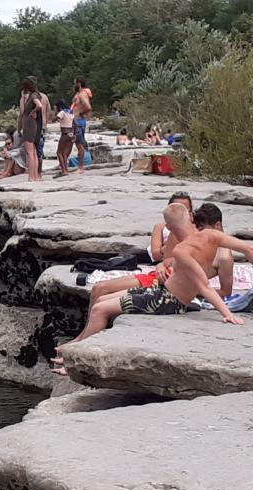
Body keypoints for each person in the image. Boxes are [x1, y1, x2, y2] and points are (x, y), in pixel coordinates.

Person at [55, 203, 253, 363]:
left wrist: (227, 315)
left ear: (167, 227)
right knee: (102, 298)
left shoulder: (182, 251)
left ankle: (73, 358)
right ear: (191, 218)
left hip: (167, 301)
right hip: (160, 291)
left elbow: (203, 286)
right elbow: (247, 249)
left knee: (101, 309)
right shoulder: (213, 235)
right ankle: (77, 342)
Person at [19, 76, 49, 177]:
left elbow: (39, 106)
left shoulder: (32, 96)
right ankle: (36, 176)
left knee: (30, 152)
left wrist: (33, 111)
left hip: (29, 125)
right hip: (36, 126)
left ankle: (31, 176)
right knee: (35, 152)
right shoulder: (39, 94)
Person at [72, 76, 92, 173]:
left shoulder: (82, 95)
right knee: (73, 142)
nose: (74, 85)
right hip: (77, 121)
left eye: (75, 83)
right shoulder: (80, 94)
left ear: (79, 83)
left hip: (78, 121)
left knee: (79, 144)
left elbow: (88, 107)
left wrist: (80, 113)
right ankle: (61, 165)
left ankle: (81, 167)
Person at [54, 99, 74, 176]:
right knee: (65, 153)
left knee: (59, 152)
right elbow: (74, 123)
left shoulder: (62, 112)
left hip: (65, 133)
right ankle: (66, 169)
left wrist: (56, 112)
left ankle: (63, 170)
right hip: (71, 134)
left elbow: (54, 119)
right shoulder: (71, 112)